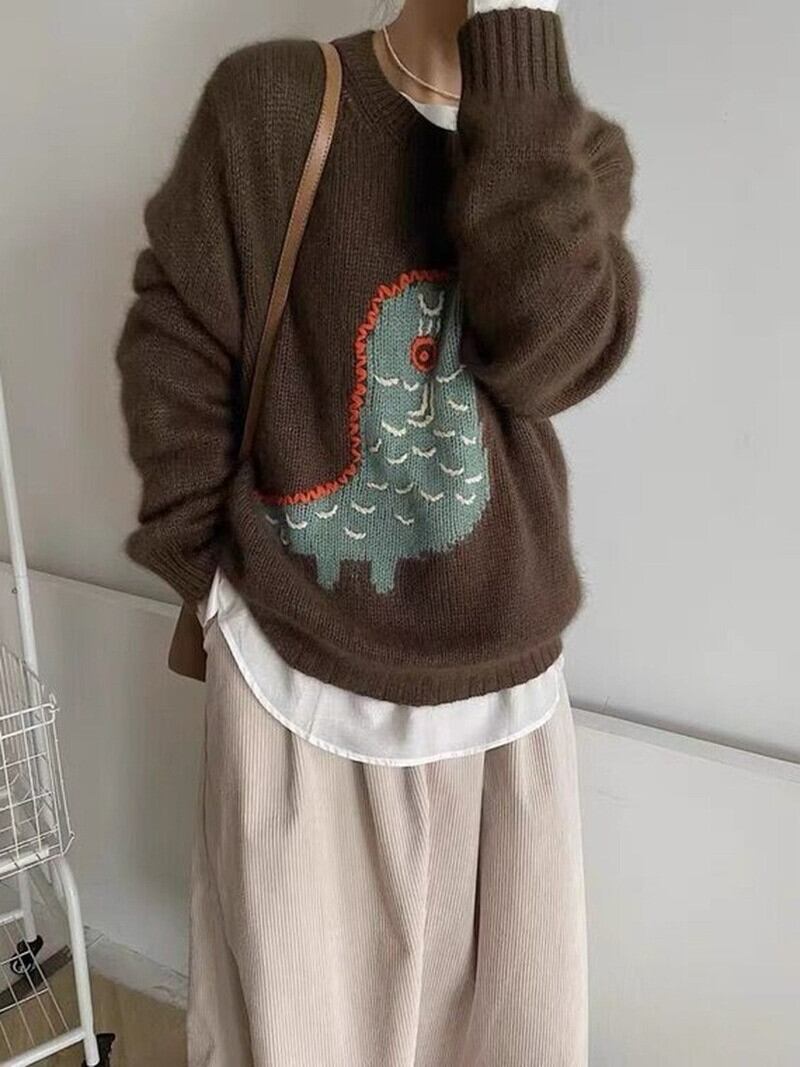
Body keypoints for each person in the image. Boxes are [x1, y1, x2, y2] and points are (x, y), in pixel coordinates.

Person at [116, 0, 639, 1062]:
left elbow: (547, 359)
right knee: (291, 1035)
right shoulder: (273, 105)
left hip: (504, 713)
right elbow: (175, 340)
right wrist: (208, 579)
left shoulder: (575, 154)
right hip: (291, 685)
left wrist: (517, 55)